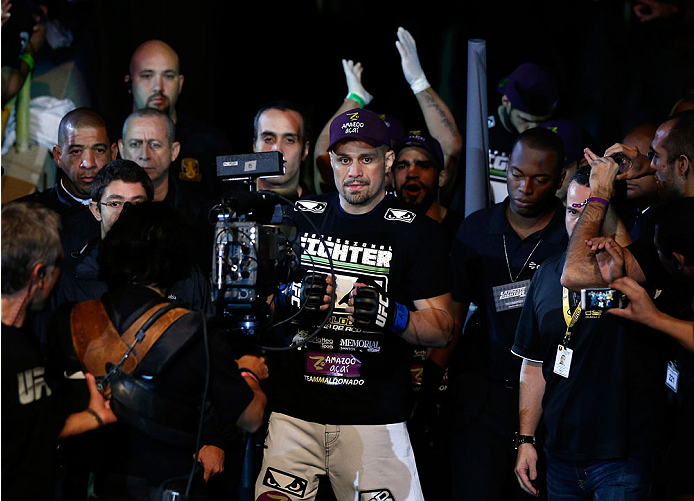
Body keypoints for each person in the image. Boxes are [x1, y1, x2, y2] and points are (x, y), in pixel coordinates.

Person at [255, 107, 453, 501]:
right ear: (330, 162)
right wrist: (290, 299)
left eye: (367, 158)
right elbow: (255, 307)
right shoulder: (298, 217)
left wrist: (391, 315)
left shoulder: (418, 233)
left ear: (388, 160)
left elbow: (443, 327)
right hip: (295, 413)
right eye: (344, 160)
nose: (355, 172)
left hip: (376, 418)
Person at [53, 202, 268, 500]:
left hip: (86, 487)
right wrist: (248, 372)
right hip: (166, 487)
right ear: (178, 259)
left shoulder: (71, 318)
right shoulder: (197, 330)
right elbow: (252, 417)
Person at [512, 166, 674, 500]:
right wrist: (526, 440)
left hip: (622, 458)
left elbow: (590, 270)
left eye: (593, 208)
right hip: (560, 455)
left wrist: (603, 199)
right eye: (575, 210)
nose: (583, 218)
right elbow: (532, 366)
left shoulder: (633, 271)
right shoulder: (546, 274)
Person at [441, 126, 569, 501]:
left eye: (539, 179)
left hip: (551, 401)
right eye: (516, 175)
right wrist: (432, 379)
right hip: (482, 397)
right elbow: (452, 315)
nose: (524, 188)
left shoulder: (572, 234)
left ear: (560, 179)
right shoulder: (477, 229)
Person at [1, 201, 116, 500]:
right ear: (39, 274)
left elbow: (32, 427)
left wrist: (93, 416)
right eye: (57, 269)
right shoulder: (11, 351)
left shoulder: (23, 339)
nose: (58, 280)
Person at [313, 27, 462, 204]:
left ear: (392, 158)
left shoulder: (414, 195)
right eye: (368, 156)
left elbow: (450, 148)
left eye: (386, 154)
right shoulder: (353, 190)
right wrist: (354, 99)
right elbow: (322, 155)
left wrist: (419, 83)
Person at [54, 159, 212, 313]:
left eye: (137, 204)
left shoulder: (185, 275)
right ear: (96, 210)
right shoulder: (71, 280)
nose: (126, 213)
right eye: (115, 203)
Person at [125, 39, 232, 198]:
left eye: (168, 76)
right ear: (130, 83)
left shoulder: (210, 142)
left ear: (180, 83)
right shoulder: (111, 140)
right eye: (147, 76)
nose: (158, 87)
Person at [18, 107, 118, 276]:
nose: (88, 163)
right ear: (58, 156)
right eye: (76, 151)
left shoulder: (133, 213)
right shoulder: (24, 217)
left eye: (99, 150)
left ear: (113, 153)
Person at [488, 62, 560, 203]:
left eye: (541, 122)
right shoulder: (479, 127)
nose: (533, 128)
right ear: (506, 102)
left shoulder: (557, 132)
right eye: (524, 119)